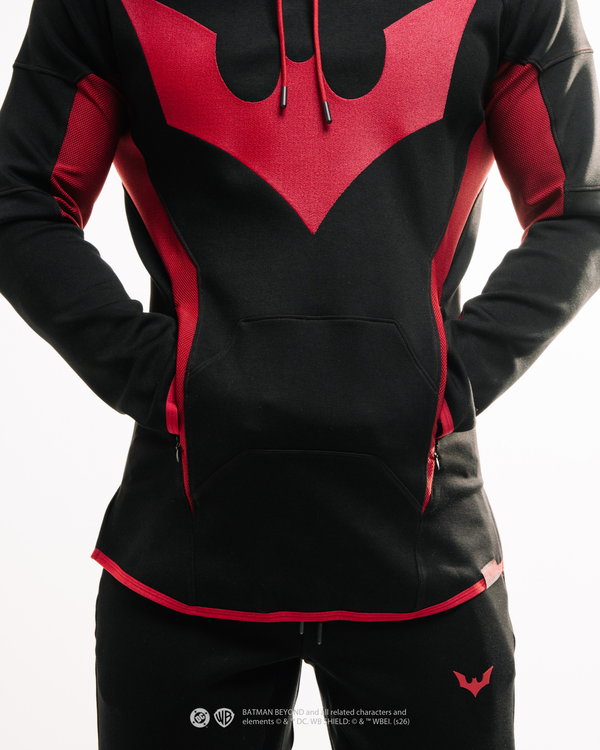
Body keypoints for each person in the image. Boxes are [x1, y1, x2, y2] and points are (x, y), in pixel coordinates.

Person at [1, 0, 600, 748]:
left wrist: (447, 379)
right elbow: (20, 201)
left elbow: (579, 206)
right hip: (184, 562)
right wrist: (161, 377)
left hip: (424, 557)